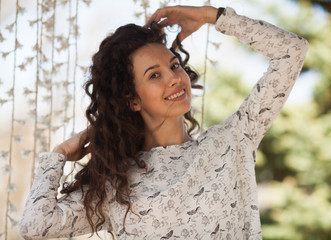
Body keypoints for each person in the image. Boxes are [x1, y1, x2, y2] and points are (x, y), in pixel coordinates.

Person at [19, 5, 308, 240]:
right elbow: (35, 226)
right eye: (154, 75)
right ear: (133, 100)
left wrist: (212, 17)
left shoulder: (231, 142)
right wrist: (57, 157)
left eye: (174, 66)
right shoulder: (115, 186)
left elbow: (292, 51)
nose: (174, 78)